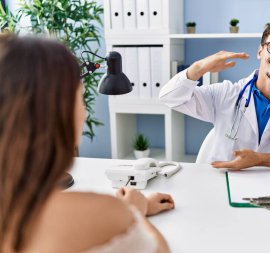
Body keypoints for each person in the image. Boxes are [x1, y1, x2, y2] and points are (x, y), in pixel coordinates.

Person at [0, 34, 174, 253]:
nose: (85, 111)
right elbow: (160, 250)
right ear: (58, 115)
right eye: (80, 99)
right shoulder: (103, 215)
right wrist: (134, 213)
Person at [159, 21, 270, 172]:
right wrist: (200, 68)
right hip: (223, 180)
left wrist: (262, 159)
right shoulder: (227, 93)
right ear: (260, 51)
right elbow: (170, 97)